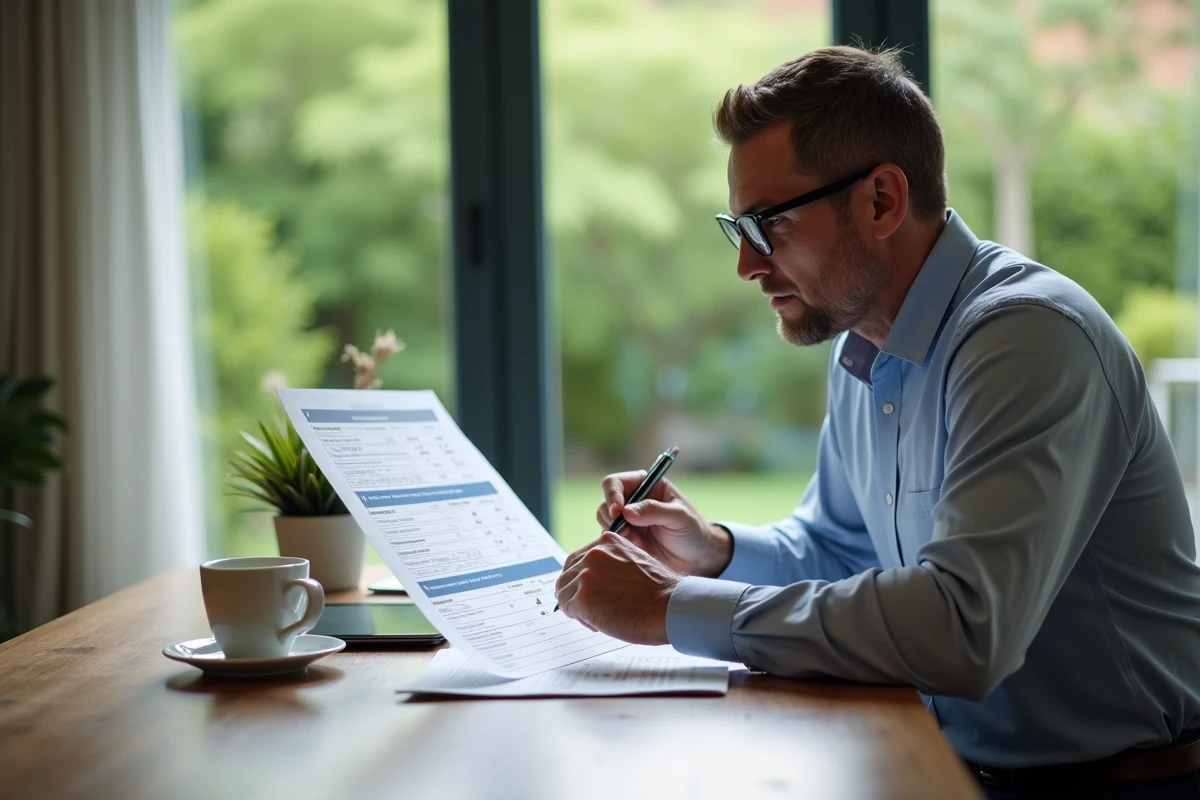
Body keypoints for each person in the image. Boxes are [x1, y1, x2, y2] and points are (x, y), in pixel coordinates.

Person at [553, 46, 1200, 798]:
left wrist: (669, 608)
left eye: (767, 226)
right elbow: (841, 547)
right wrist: (713, 553)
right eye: (739, 230)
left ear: (882, 202)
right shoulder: (865, 342)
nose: (748, 266)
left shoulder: (1026, 338)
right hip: (946, 763)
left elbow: (963, 629)